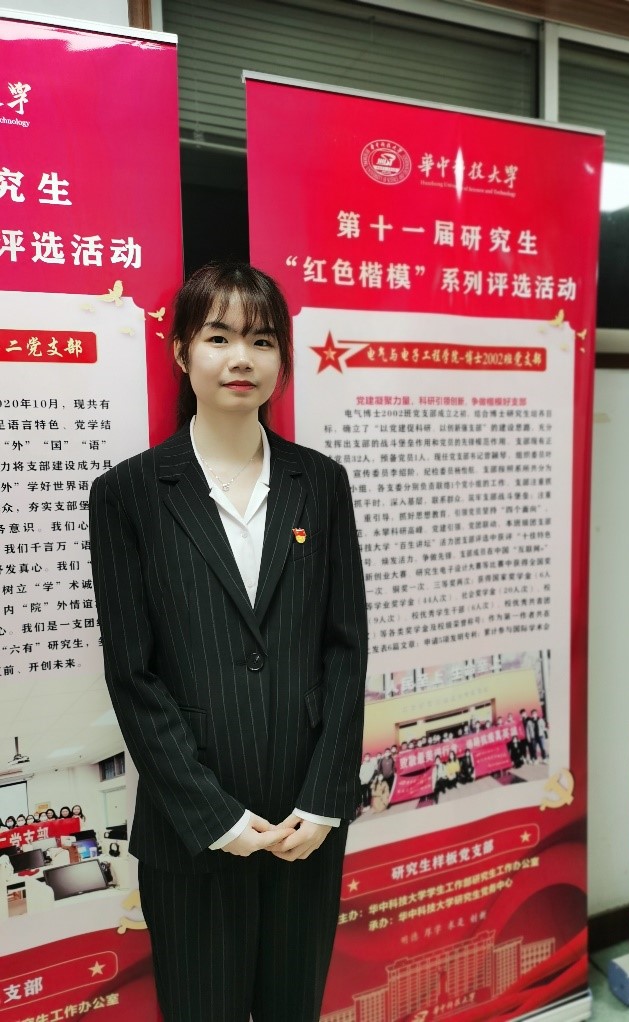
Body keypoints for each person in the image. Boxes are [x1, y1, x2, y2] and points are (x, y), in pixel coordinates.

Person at [89, 263, 368, 1022]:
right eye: (219, 337)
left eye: (262, 340)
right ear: (182, 351)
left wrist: (326, 799)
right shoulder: (128, 494)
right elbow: (131, 672)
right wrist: (210, 812)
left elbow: (346, 648)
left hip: (305, 827)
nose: (241, 358)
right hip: (193, 829)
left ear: (282, 359)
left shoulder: (321, 483)